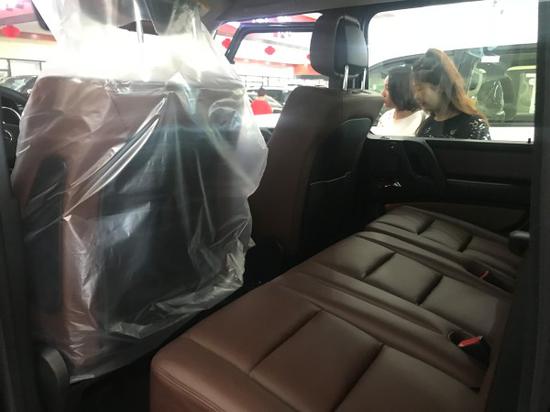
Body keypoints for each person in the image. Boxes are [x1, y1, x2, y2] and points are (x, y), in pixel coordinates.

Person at [413, 48, 490, 140]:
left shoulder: (473, 125)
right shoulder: (426, 126)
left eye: (420, 89)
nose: (416, 96)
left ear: (440, 86)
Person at [374, 66, 426, 136]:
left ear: (401, 89)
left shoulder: (422, 120)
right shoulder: (385, 117)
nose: (382, 94)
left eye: (387, 88)